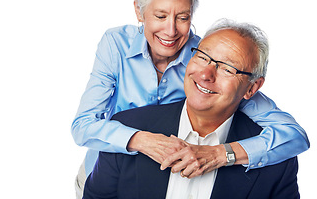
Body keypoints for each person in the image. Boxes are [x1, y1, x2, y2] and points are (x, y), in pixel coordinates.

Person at [71, 0, 309, 197]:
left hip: (178, 176)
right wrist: (141, 139)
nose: (171, 30)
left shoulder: (205, 62)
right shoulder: (115, 44)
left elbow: (292, 134)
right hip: (107, 169)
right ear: (138, 10)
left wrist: (222, 153)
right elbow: (83, 126)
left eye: (183, 18)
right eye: (160, 16)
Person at [83, 19, 301, 199]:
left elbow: (296, 135)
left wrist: (221, 154)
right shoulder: (129, 129)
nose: (206, 74)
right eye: (203, 57)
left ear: (252, 87)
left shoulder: (276, 156)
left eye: (227, 68)